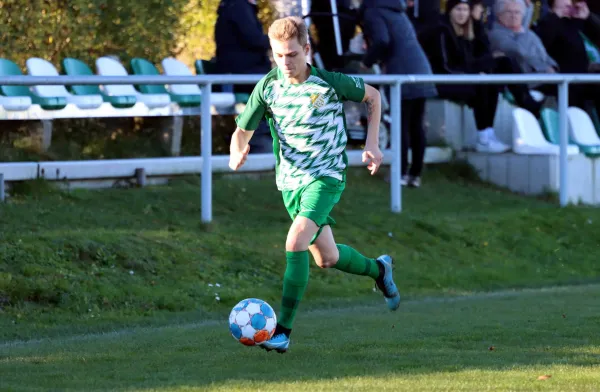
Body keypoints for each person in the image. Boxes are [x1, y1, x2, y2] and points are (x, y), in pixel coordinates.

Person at [229, 16, 401, 354]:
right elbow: (242, 131)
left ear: (306, 50)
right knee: (327, 258)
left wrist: (373, 142)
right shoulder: (268, 87)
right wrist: (237, 152)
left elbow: (374, 96)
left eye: (292, 54)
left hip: (326, 177)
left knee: (295, 241)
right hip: (290, 183)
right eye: (278, 56)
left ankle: (282, 332)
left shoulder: (328, 82)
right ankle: (379, 270)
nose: (285, 62)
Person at [419, 0, 543, 153]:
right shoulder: (442, 31)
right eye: (458, 9)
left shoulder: (467, 30)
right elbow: (445, 67)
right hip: (444, 80)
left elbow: (482, 52)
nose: (462, 13)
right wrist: (475, 74)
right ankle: (485, 136)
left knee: (504, 61)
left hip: (464, 74)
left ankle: (523, 102)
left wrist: (477, 23)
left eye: (465, 10)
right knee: (485, 83)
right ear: (450, 11)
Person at [360, 0, 438, 187]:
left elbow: (382, 40)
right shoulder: (398, 10)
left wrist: (367, 62)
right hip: (421, 68)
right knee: (416, 124)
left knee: (401, 124)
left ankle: (400, 173)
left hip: (401, 71)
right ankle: (415, 174)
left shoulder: (374, 11)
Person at [215, 0, 273, 153]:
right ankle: (260, 143)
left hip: (240, 72)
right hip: (239, 74)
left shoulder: (234, 6)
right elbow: (253, 39)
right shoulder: (239, 7)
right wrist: (282, 40)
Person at [488, 0, 558, 77]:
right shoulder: (496, 34)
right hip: (525, 82)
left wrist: (553, 66)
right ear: (499, 15)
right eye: (509, 12)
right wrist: (544, 68)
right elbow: (519, 51)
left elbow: (544, 54)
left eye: (517, 12)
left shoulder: (529, 33)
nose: (514, 16)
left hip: (547, 78)